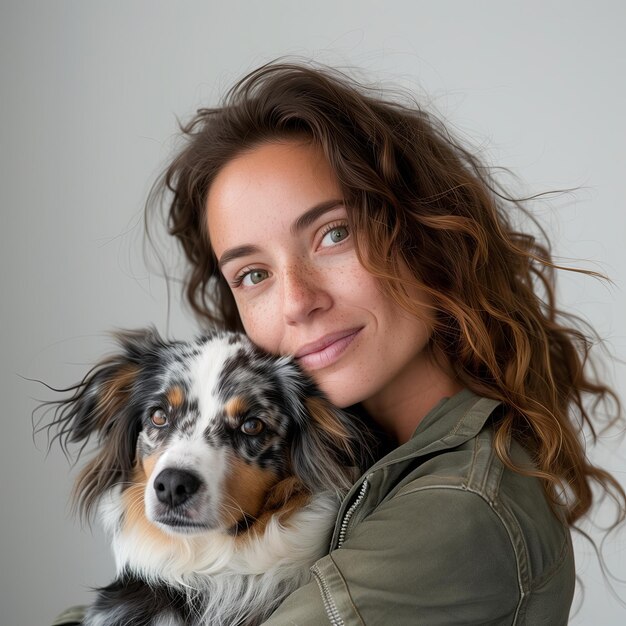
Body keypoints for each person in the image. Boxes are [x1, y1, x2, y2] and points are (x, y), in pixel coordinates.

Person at [53, 61, 625, 625]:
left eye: (333, 235)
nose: (297, 301)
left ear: (426, 232)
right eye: (254, 274)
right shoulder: (358, 465)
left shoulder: (457, 508)